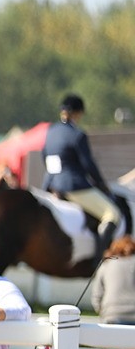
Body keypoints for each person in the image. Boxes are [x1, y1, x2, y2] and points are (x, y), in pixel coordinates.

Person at [43, 93, 121, 247]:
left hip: (52, 186)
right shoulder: (77, 135)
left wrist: (55, 180)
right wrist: (101, 184)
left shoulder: (51, 132)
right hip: (74, 187)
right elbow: (88, 164)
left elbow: (46, 157)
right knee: (112, 215)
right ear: (78, 113)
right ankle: (98, 259)